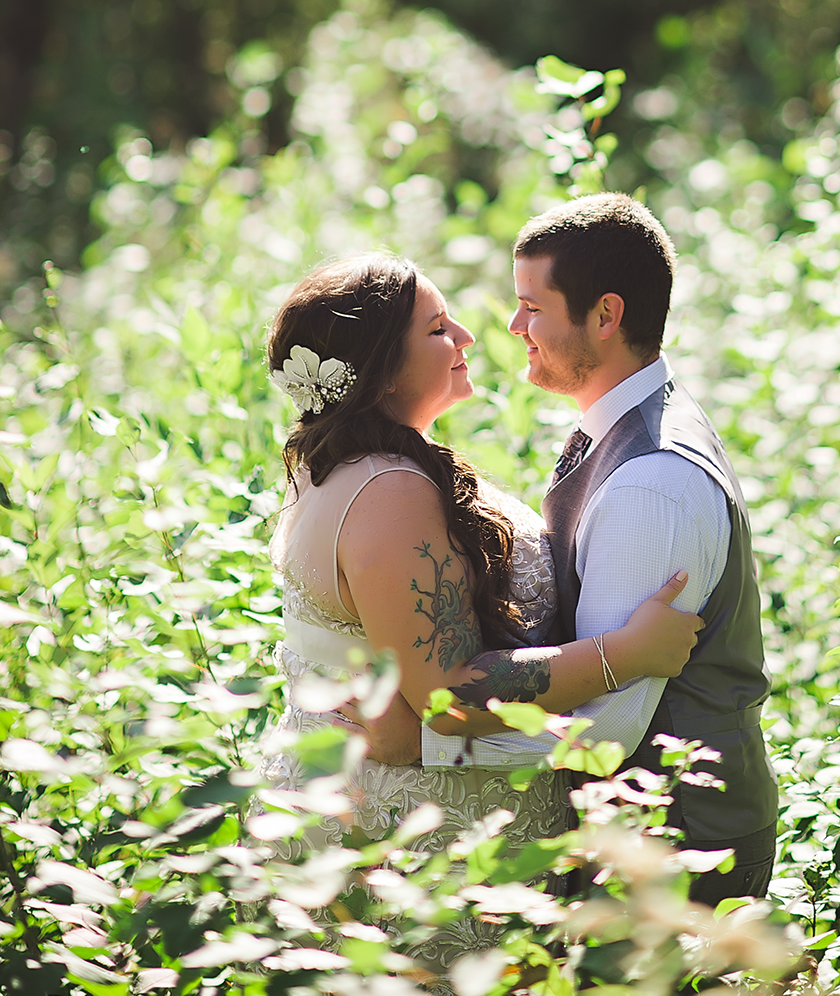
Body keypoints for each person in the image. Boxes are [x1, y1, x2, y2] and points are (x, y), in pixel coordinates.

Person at [265, 253, 704, 864]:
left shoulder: (344, 465)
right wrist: (627, 654)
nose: (468, 336)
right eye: (439, 328)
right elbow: (445, 697)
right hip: (415, 841)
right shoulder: (389, 492)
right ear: (383, 370)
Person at [409, 194, 780, 904]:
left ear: (605, 315)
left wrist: (427, 747)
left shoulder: (650, 481)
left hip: (679, 850)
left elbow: (608, 723)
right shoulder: (622, 428)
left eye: (532, 307)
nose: (513, 326)